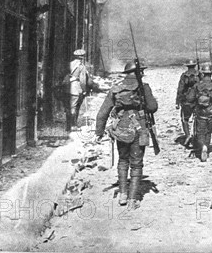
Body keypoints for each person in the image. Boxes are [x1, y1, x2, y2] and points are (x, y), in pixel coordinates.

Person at [96, 61, 158, 211]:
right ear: (138, 72)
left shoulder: (116, 89)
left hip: (121, 129)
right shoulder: (143, 87)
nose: (142, 73)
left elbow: (103, 112)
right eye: (141, 71)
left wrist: (99, 132)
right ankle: (132, 200)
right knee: (136, 164)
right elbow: (152, 107)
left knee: (123, 160)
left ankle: (123, 194)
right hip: (139, 129)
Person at [191, 61, 212, 162]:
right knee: (208, 132)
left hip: (200, 112)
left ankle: (202, 146)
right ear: (211, 73)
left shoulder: (197, 85)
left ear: (202, 73)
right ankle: (206, 145)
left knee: (200, 132)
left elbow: (190, 98)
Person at [175, 60, 200, 146]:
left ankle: (188, 135)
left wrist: (177, 101)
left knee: (184, 119)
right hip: (197, 100)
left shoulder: (184, 75)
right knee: (197, 119)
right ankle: (196, 136)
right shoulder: (199, 74)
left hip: (186, 101)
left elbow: (180, 89)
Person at [66, 49, 92, 130]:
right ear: (82, 58)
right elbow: (83, 81)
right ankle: (73, 125)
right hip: (75, 89)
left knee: (68, 107)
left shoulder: (69, 64)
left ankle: (68, 126)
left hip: (67, 88)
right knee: (74, 107)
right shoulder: (81, 67)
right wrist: (84, 90)